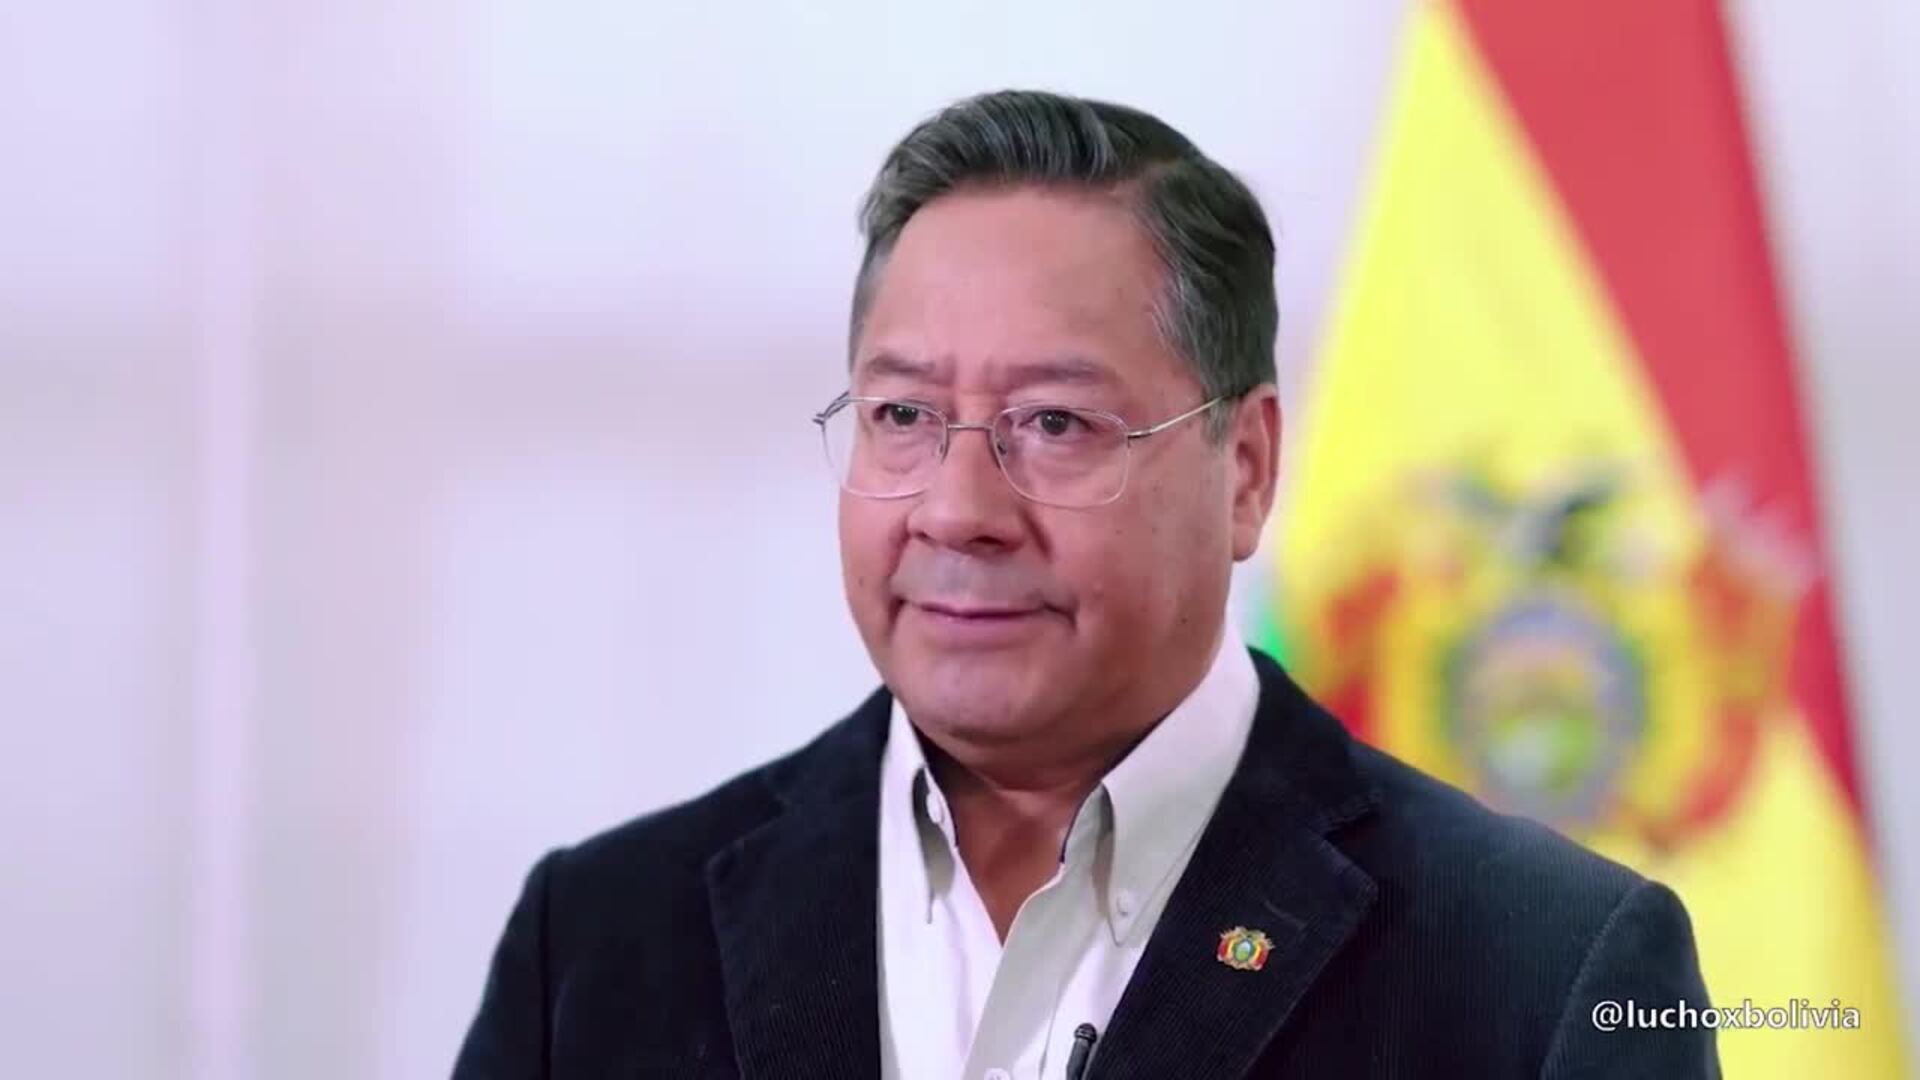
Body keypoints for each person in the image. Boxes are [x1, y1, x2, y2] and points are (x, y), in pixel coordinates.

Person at [453, 89, 1719, 1079]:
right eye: (903, 415)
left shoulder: (1541, 968)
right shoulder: (604, 938)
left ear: (1245, 468)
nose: (958, 508)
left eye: (1055, 424)